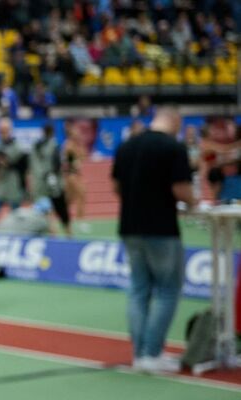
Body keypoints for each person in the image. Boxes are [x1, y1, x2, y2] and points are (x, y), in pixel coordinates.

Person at [111, 107, 195, 374]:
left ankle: (140, 354)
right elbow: (180, 189)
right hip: (161, 228)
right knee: (168, 289)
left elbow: (116, 186)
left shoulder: (127, 145)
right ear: (175, 121)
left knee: (138, 289)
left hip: (130, 226)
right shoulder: (173, 148)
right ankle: (152, 351)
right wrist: (196, 203)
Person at [0, 118, 28, 232]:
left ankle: (18, 236)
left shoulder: (17, 145)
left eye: (5, 130)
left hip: (14, 185)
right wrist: (0, 160)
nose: (3, 133)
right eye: (1, 130)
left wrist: (0, 159)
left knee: (16, 216)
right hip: (1, 185)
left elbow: (8, 159)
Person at [29, 124, 70, 236]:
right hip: (53, 184)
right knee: (60, 212)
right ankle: (68, 236)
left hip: (41, 186)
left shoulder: (37, 145)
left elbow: (33, 165)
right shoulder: (54, 145)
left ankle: (55, 236)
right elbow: (58, 164)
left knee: (47, 212)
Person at [63, 120, 89, 232]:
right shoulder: (68, 145)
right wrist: (74, 162)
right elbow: (67, 162)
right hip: (71, 175)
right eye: (74, 131)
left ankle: (65, 219)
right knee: (81, 194)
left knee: (68, 200)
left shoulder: (77, 145)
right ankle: (81, 221)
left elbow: (84, 157)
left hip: (76, 174)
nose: (77, 133)